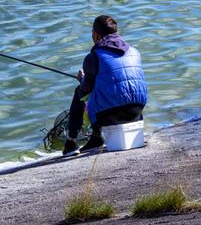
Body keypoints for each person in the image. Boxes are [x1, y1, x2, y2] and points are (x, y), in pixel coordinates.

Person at [63, 15, 148, 154]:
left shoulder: (94, 57)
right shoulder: (134, 51)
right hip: (137, 111)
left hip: (110, 114)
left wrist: (82, 79)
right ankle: (95, 138)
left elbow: (86, 90)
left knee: (79, 91)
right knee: (110, 93)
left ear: (96, 35)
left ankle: (71, 142)